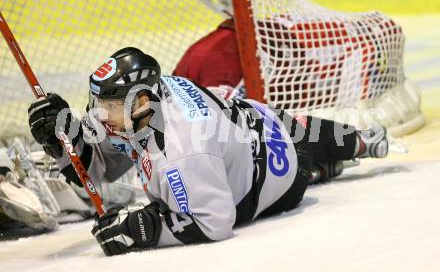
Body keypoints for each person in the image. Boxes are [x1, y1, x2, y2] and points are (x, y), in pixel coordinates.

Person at [27, 47, 388, 256]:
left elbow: (215, 222)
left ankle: (344, 153)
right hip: (254, 122)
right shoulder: (148, 105)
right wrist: (63, 140)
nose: (98, 116)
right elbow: (100, 169)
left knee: (304, 147)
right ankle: (351, 145)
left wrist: (143, 228)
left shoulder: (184, 154)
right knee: (301, 129)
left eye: (108, 106)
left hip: (281, 177)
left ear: (139, 102)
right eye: (96, 104)